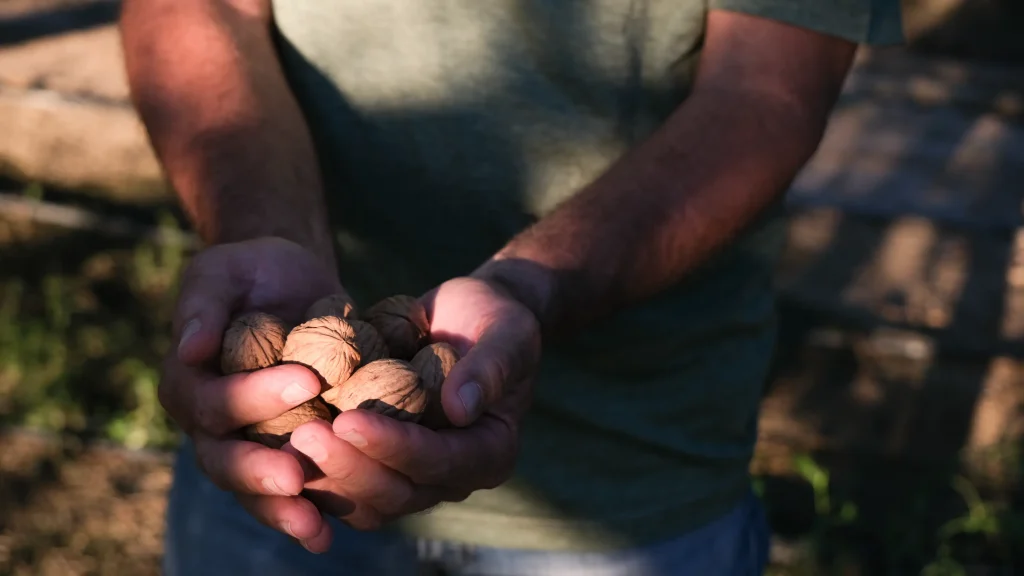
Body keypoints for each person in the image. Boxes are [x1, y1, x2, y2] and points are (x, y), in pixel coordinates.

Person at [119, 1, 902, 574]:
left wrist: (531, 288)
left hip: (630, 489)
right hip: (278, 472)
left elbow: (764, 95)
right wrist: (268, 234)